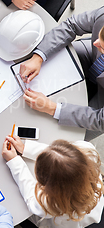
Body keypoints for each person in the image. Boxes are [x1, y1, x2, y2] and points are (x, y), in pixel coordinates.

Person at [19, 8, 104, 138]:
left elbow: (100, 120)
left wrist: (52, 108)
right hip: (92, 57)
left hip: (101, 103)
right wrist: (39, 57)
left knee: (67, 137)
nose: (94, 42)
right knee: (55, 57)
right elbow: (72, 25)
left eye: (103, 45)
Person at [2, 136, 104, 228]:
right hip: (92, 212)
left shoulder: (49, 203)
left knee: (21, 206)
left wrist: (14, 161)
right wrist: (26, 149)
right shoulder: (88, 150)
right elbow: (61, 156)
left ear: (49, 185)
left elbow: (31, 197)